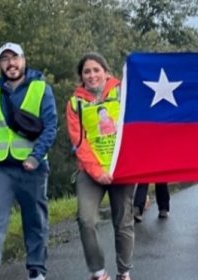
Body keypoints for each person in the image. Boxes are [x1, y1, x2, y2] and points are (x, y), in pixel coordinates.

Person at [0, 28, 58, 280]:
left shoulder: (40, 88)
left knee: (35, 221)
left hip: (32, 168)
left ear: (24, 60)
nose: (10, 63)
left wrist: (35, 157)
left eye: (15, 58)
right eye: (4, 59)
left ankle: (36, 270)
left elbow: (50, 127)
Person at [66, 52, 135, 280]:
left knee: (123, 222)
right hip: (90, 170)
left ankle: (124, 272)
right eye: (87, 71)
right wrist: (97, 171)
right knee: (86, 219)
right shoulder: (75, 102)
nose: (92, 75)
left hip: (122, 168)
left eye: (97, 70)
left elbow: (137, 124)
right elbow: (78, 142)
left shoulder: (122, 91)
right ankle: (98, 272)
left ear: (106, 71)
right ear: (81, 76)